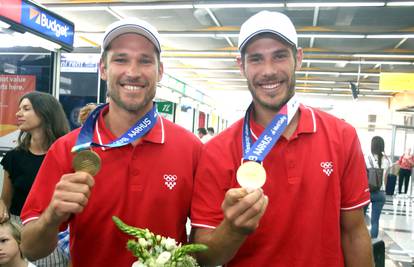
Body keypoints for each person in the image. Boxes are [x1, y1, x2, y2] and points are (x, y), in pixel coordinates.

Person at [190, 10, 373, 266]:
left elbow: (354, 233)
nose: (268, 71)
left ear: (298, 58)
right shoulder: (216, 151)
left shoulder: (342, 136)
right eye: (256, 59)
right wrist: (232, 230)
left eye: (279, 56)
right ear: (241, 66)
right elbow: (203, 257)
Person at [20, 17, 202, 267]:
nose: (133, 72)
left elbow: (204, 243)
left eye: (145, 60)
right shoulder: (68, 149)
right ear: (103, 69)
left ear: (160, 71)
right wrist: (53, 214)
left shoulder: (191, 149)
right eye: (121, 59)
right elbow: (30, 249)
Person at [0, 91, 70, 267]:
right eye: (19, 108)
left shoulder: (66, 155)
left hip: (54, 235)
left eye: (26, 108)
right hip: (19, 236)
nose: (18, 114)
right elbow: (5, 201)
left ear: (44, 112)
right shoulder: (14, 157)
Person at [364, 136, 390, 239]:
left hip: (367, 191)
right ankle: (373, 245)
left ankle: (361, 240)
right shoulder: (387, 160)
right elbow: (386, 179)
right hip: (380, 193)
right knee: (375, 221)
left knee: (360, 219)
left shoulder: (366, 157)